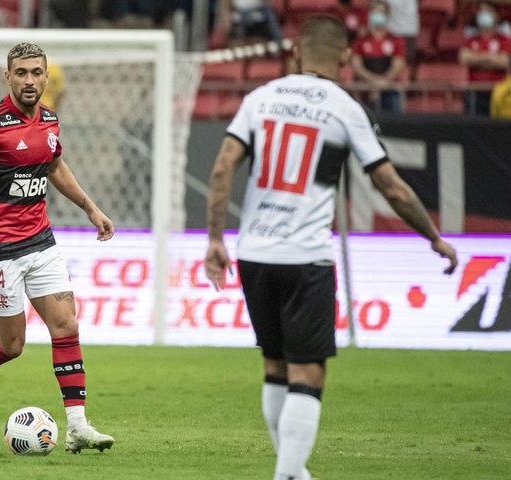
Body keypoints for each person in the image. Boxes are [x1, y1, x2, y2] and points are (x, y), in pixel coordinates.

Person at [203, 15, 457, 479]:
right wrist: (433, 236)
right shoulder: (345, 108)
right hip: (305, 258)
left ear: (296, 52)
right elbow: (390, 186)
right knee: (308, 373)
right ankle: (287, 475)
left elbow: (222, 169)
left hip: (254, 254)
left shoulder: (260, 98)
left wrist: (215, 238)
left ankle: (293, 473)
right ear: (345, 57)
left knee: (275, 366)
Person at [0, 42, 115, 454]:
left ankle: (78, 426)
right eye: (21, 73)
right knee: (12, 345)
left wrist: (90, 207)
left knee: (66, 325)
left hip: (40, 241)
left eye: (36, 72)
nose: (29, 80)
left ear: (46, 77)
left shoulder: (49, 120)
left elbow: (53, 166)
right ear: (8, 77)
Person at [350, 0, 407, 112]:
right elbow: (357, 65)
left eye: (381, 12)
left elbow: (398, 65)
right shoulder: (361, 40)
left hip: (388, 86)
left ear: (387, 16)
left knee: (394, 97)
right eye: (375, 12)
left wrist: (383, 82)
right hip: (365, 87)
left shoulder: (396, 39)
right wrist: (372, 81)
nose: (378, 15)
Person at [459, 2, 511, 116]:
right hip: (475, 93)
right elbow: (464, 59)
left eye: (487, 12)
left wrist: (477, 59)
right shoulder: (471, 39)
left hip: (498, 92)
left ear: (495, 16)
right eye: (481, 12)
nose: (483, 15)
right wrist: (491, 57)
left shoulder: (504, 39)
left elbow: (504, 62)